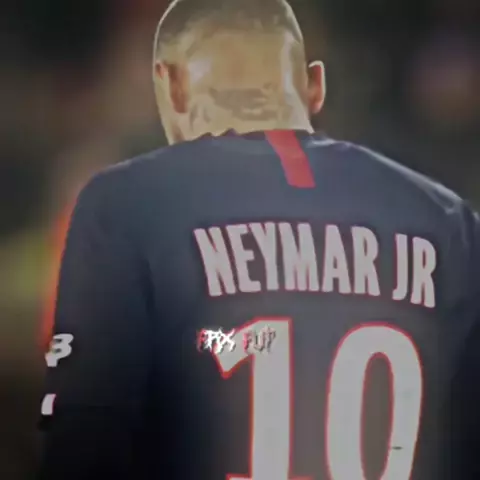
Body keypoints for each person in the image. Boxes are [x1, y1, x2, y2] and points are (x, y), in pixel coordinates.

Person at [38, 0, 480, 479]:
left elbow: (81, 452)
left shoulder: (124, 203)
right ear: (314, 85)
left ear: (171, 85)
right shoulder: (449, 221)